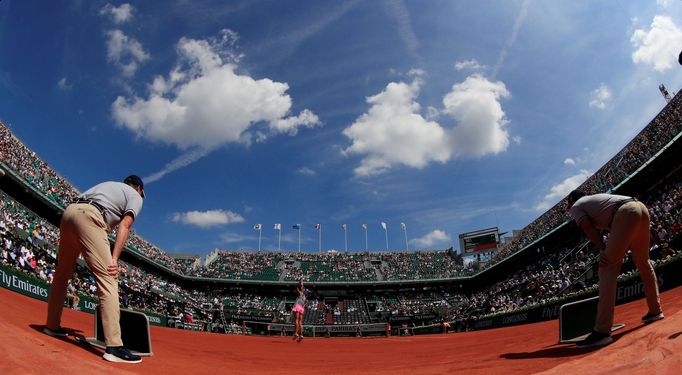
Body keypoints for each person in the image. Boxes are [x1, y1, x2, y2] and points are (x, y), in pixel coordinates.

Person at [44, 175, 145, 363]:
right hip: (91, 217)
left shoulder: (109, 185)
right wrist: (114, 259)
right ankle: (114, 347)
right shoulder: (135, 195)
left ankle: (51, 326)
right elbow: (126, 224)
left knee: (62, 274)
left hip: (69, 213)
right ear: (139, 188)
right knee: (109, 277)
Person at [566, 190, 663, 348]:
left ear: (572, 201)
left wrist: (603, 249)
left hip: (625, 213)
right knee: (643, 262)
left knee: (606, 267)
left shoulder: (577, 206)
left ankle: (602, 332)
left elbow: (588, 228)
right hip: (640, 207)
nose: (569, 208)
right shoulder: (597, 199)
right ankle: (656, 310)